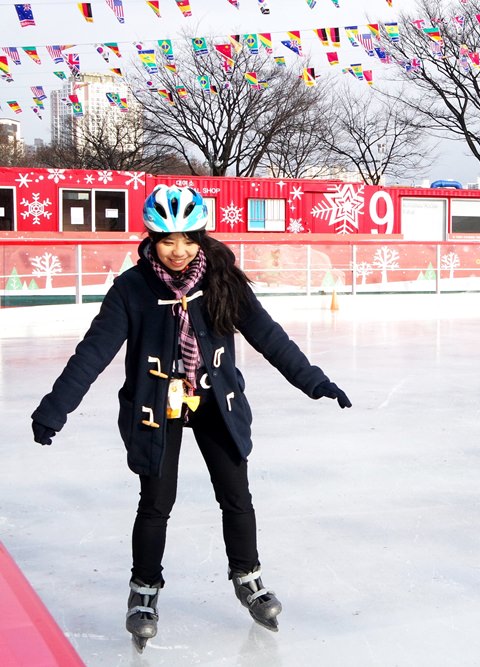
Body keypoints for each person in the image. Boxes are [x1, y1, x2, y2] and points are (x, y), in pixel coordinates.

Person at [30, 185, 352, 651]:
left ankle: (248, 575)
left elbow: (268, 335)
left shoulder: (222, 280)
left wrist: (314, 380)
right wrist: (55, 407)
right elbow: (93, 353)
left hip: (215, 404)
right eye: (166, 240)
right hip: (156, 408)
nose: (178, 251)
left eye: (187, 238)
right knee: (157, 502)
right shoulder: (132, 290)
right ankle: (144, 590)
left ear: (201, 237)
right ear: (150, 240)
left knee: (236, 495)